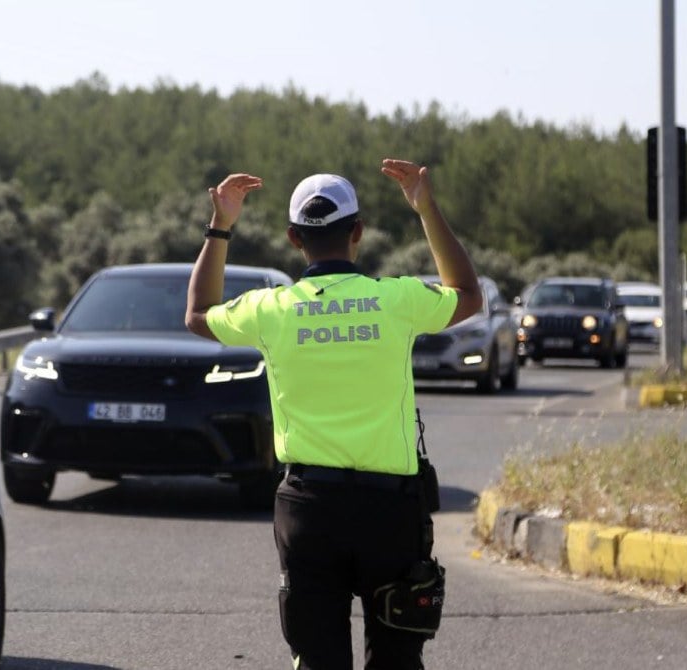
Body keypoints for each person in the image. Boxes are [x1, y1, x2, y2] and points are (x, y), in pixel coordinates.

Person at [185, 159, 481, 669]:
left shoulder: (270, 309)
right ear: (358, 233)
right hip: (390, 514)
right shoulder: (397, 300)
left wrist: (221, 225)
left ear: (294, 238)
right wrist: (425, 208)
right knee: (397, 660)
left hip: (309, 510)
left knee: (318, 659)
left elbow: (197, 313)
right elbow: (469, 294)